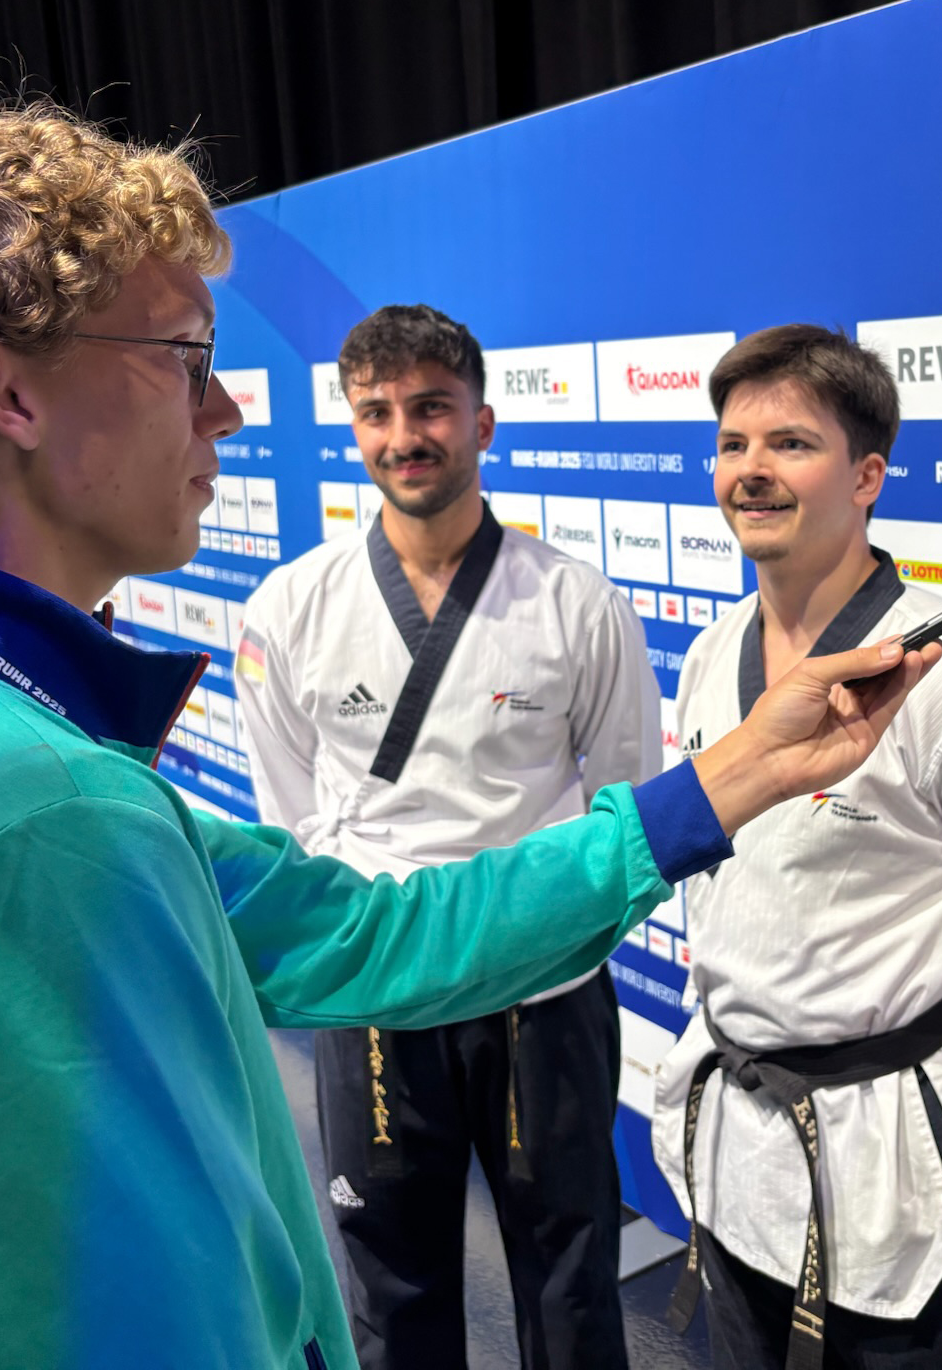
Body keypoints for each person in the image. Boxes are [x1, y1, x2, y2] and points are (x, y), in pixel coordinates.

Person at [0, 104, 941, 1370]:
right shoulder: (20, 820)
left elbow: (365, 932)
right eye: (183, 357)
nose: (224, 411)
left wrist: (740, 770)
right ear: (5, 386)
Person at [655, 324, 942, 1369]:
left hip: (894, 1169)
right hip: (736, 1149)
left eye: (790, 444)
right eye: (731, 445)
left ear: (867, 476)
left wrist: (941, 1061)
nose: (751, 470)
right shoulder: (710, 654)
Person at [236, 304, 661, 1369]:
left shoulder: (575, 602)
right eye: (375, 412)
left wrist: (559, 928)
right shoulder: (293, 605)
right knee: (391, 1281)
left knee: (569, 1278)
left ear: (483, 422)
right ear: (352, 426)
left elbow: (625, 804)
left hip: (541, 982)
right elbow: (292, 813)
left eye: (430, 407)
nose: (403, 436)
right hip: (378, 982)